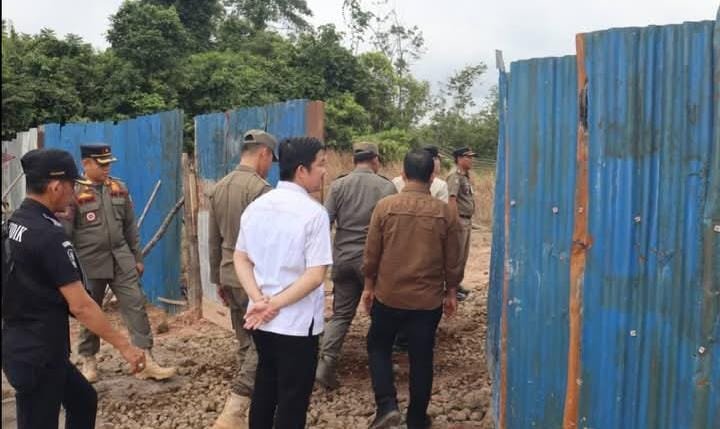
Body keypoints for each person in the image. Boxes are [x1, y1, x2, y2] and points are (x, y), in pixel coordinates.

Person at [2, 148, 145, 429]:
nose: (74, 193)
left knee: (83, 400)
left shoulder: (16, 222)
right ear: (56, 186)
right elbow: (81, 306)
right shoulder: (48, 236)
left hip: (26, 343)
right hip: (39, 353)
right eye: (71, 185)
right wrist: (125, 347)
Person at [233, 137, 332, 429]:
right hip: (296, 324)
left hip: (260, 320)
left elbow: (240, 257)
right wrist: (272, 305)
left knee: (265, 385)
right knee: (293, 398)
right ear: (301, 170)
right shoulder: (314, 213)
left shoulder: (257, 207)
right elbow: (315, 275)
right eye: (320, 165)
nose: (324, 171)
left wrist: (258, 299)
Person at [362, 148, 462, 429]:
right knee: (422, 357)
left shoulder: (385, 207)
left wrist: (368, 287)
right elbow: (454, 260)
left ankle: (387, 405)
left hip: (388, 295)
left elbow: (371, 254)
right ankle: (417, 418)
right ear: (432, 176)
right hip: (426, 302)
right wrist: (451, 292)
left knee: (378, 346)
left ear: (403, 174)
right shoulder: (446, 213)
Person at [60, 143, 176, 382]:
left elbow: (130, 227)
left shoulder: (118, 188)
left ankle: (145, 360)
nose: (106, 169)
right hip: (89, 263)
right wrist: (70, 269)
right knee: (90, 311)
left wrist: (137, 258)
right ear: (86, 163)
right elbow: (65, 234)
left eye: (108, 164)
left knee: (136, 305)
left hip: (121, 259)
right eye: (101, 164)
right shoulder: (74, 193)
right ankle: (89, 359)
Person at [207, 130, 277, 429]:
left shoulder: (219, 187)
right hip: (253, 278)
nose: (270, 166)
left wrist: (217, 279)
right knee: (263, 345)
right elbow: (268, 243)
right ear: (263, 154)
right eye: (270, 159)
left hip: (228, 273)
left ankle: (251, 400)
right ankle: (235, 408)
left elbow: (213, 239)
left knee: (245, 341)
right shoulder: (262, 191)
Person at [315, 142, 396, 390]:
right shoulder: (386, 187)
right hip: (373, 263)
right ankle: (382, 364)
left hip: (342, 259)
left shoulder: (338, 185)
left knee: (341, 314)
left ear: (354, 160)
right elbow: (393, 228)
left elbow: (324, 221)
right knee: (381, 314)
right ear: (375, 160)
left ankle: (326, 363)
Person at [446, 146, 477, 301]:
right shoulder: (455, 176)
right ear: (459, 158)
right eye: (468, 157)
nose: (471, 160)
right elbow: (451, 199)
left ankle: (456, 285)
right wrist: (455, 221)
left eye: (471, 157)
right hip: (460, 220)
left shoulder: (465, 176)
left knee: (462, 256)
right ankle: (450, 288)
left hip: (467, 220)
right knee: (456, 256)